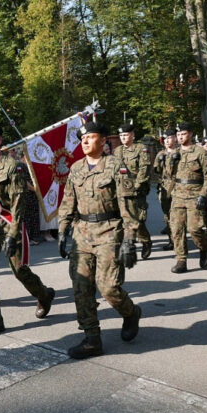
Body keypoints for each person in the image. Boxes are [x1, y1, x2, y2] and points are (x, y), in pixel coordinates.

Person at [56, 120, 141, 359]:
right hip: (82, 233)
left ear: (103, 141)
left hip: (109, 231)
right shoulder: (76, 168)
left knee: (108, 287)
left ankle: (131, 312)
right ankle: (92, 339)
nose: (84, 141)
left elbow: (128, 204)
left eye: (90, 137)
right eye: (82, 138)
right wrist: (63, 230)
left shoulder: (115, 166)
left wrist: (129, 239)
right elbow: (68, 201)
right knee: (81, 288)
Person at [0, 123, 55, 337]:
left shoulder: (12, 166)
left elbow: (19, 202)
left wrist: (13, 233)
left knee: (19, 270)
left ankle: (44, 294)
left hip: (11, 220)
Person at [169, 122, 207, 273]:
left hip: (194, 195)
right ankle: (181, 260)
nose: (180, 137)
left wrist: (204, 194)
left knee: (194, 228)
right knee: (176, 229)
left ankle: (204, 247)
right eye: (178, 135)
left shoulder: (200, 152)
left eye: (183, 134)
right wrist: (172, 162)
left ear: (189, 134)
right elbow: (168, 175)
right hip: (178, 195)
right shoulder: (175, 153)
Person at [113, 123, 152, 259]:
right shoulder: (117, 151)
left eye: (126, 135)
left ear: (132, 135)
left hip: (136, 189)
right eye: (121, 135)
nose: (123, 138)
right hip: (120, 189)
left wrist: (137, 185)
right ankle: (129, 244)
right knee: (123, 219)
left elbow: (144, 169)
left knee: (137, 219)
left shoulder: (141, 149)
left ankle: (146, 241)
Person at [153, 129, 177, 250]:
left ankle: (178, 241)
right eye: (165, 139)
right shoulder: (161, 154)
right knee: (167, 215)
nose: (167, 141)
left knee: (176, 215)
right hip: (164, 186)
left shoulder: (180, 152)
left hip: (177, 186)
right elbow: (156, 171)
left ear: (175, 138)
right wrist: (160, 163)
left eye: (169, 138)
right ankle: (171, 240)